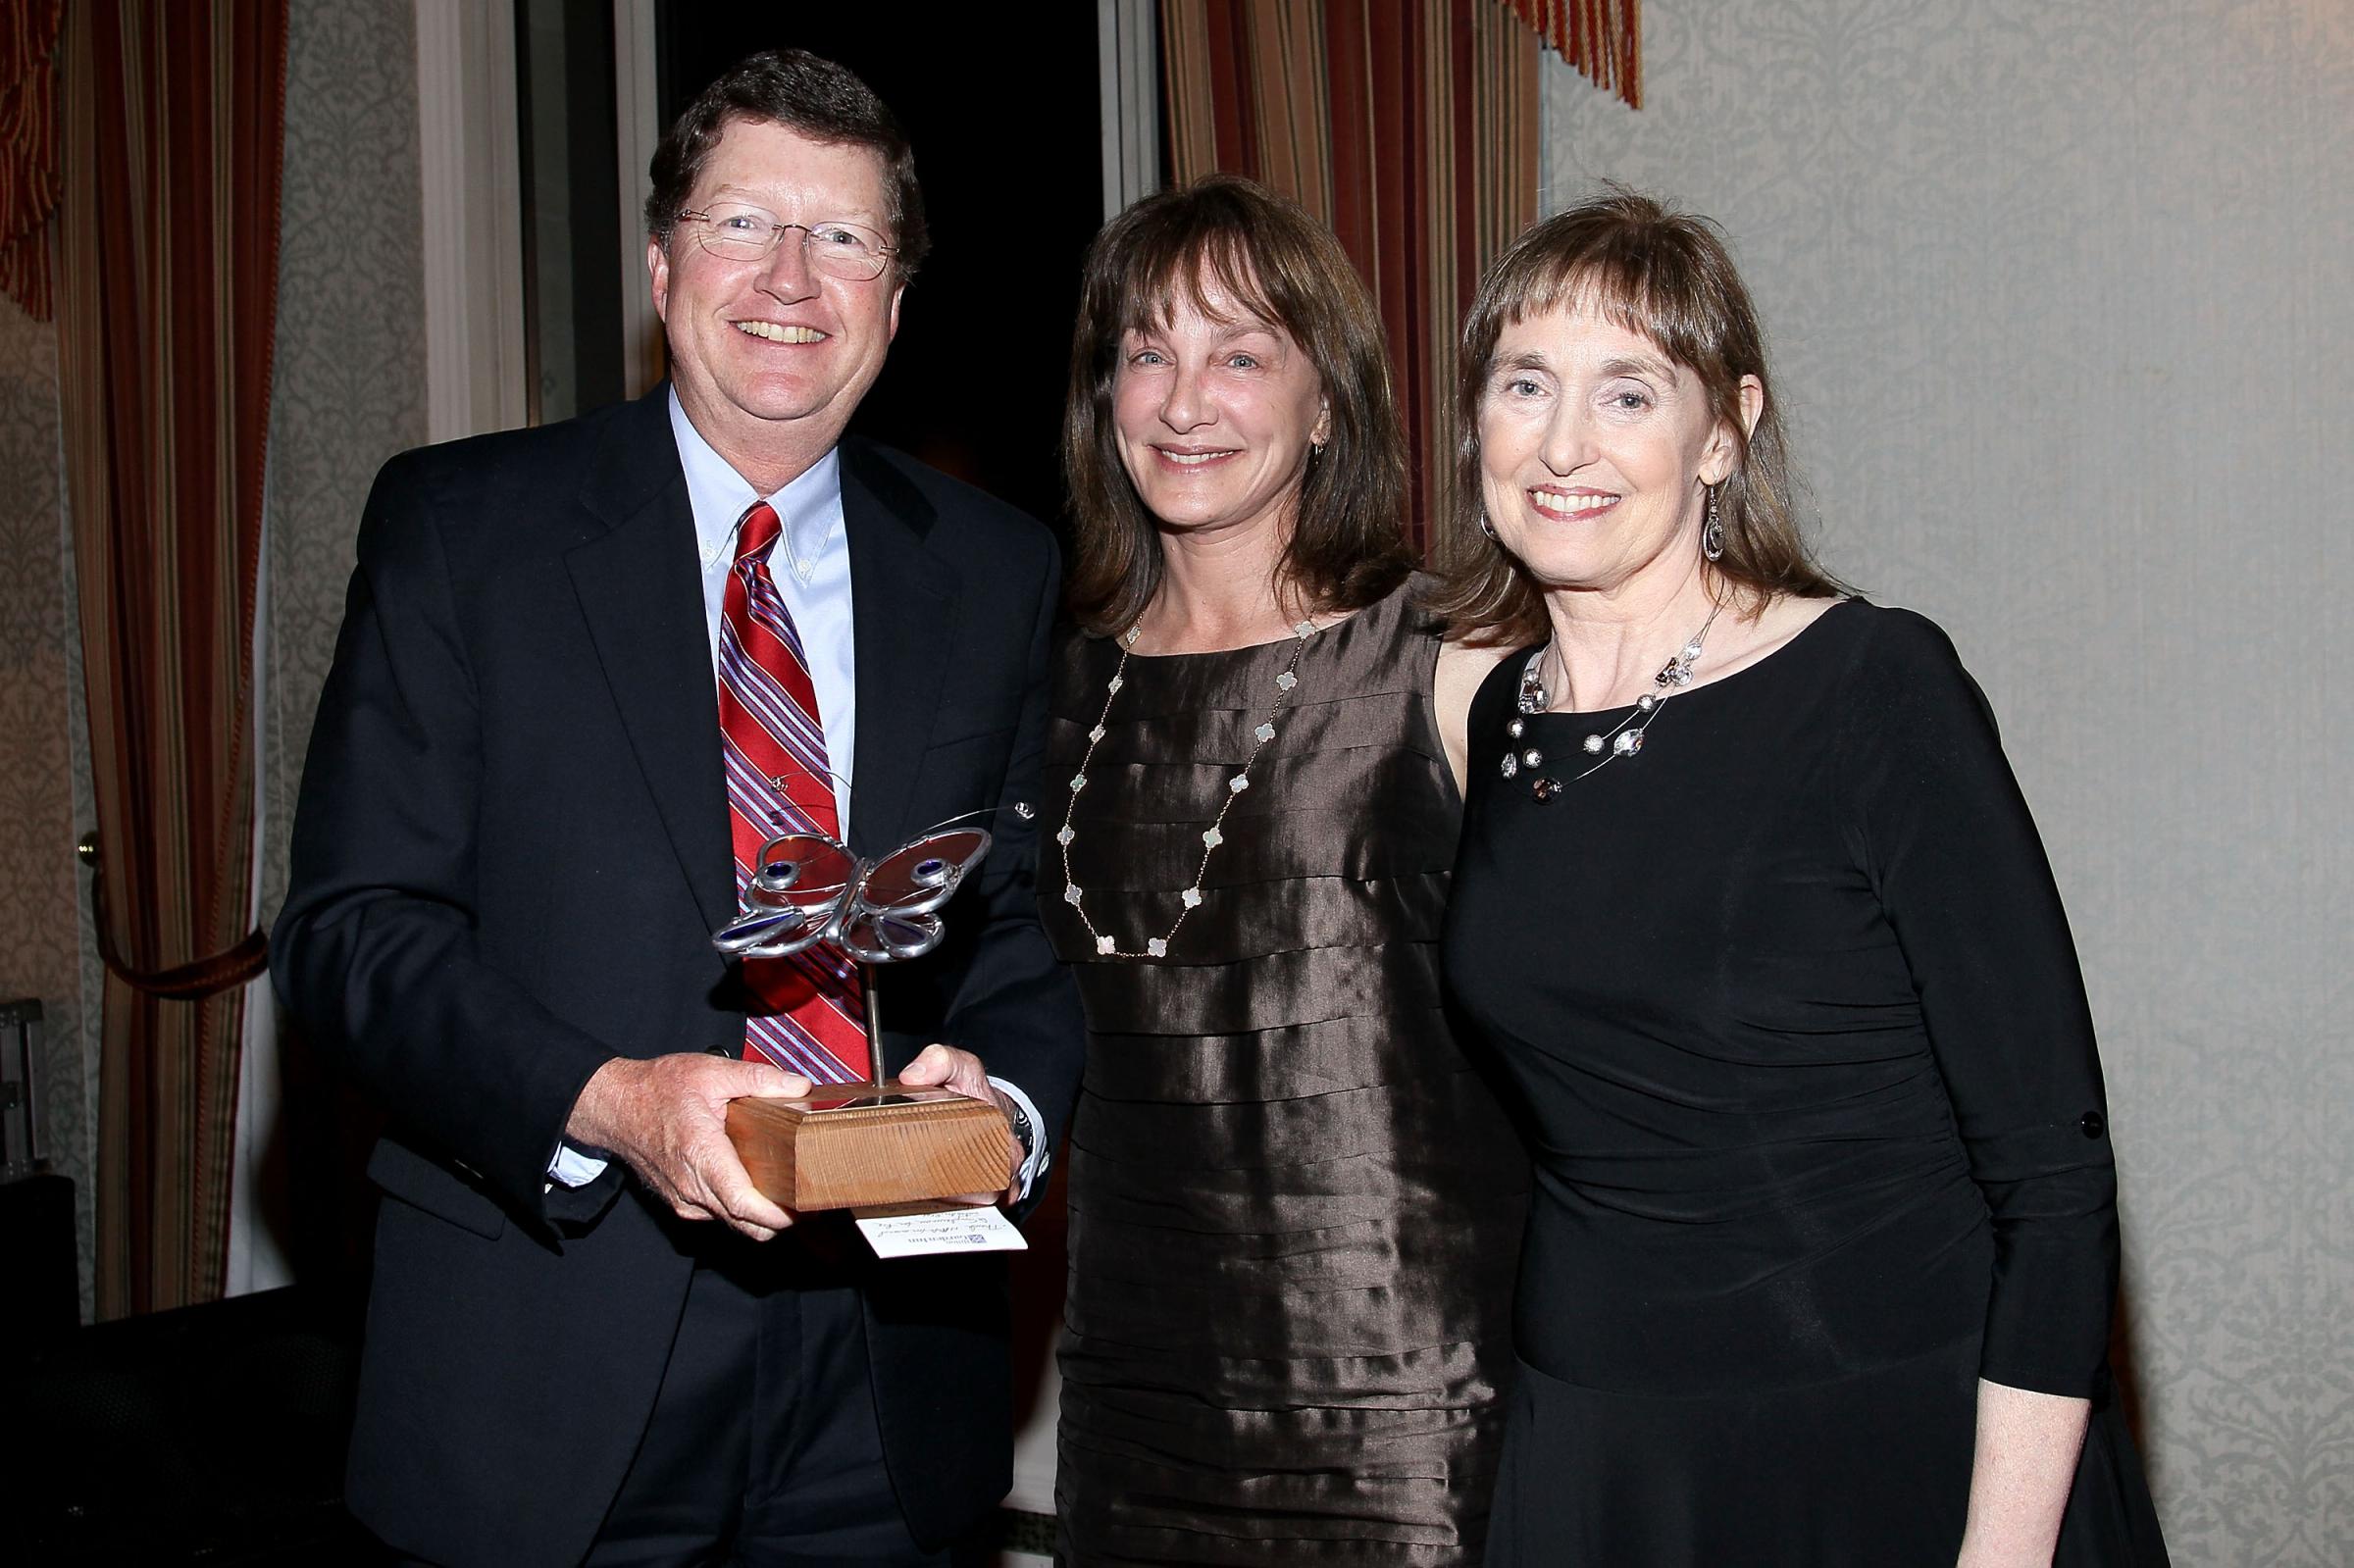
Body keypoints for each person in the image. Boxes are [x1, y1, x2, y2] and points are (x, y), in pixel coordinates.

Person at [272, 50, 1085, 1566]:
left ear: (896, 302)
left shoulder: (994, 571)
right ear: (662, 266)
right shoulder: (462, 532)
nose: (791, 276)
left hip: (888, 1386)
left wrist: (1009, 1117)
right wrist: (612, 1104)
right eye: (740, 224)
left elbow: (1012, 929)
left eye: (844, 237)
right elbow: (349, 936)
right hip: (548, 1368)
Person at [1427, 188, 2170, 1566]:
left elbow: (2056, 1187)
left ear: (1727, 433)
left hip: (1893, 1436)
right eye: (1526, 383)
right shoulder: (1493, 719)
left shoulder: (1874, 690)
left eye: (1631, 394)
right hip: (1600, 1448)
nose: (1566, 443)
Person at [1042, 174, 1528, 1565]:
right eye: (1149, 352)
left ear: (1329, 403)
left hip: (1401, 1397)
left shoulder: (1451, 659)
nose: (1184, 403)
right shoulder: (1052, 679)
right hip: (1133, 1393)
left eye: (1241, 354)